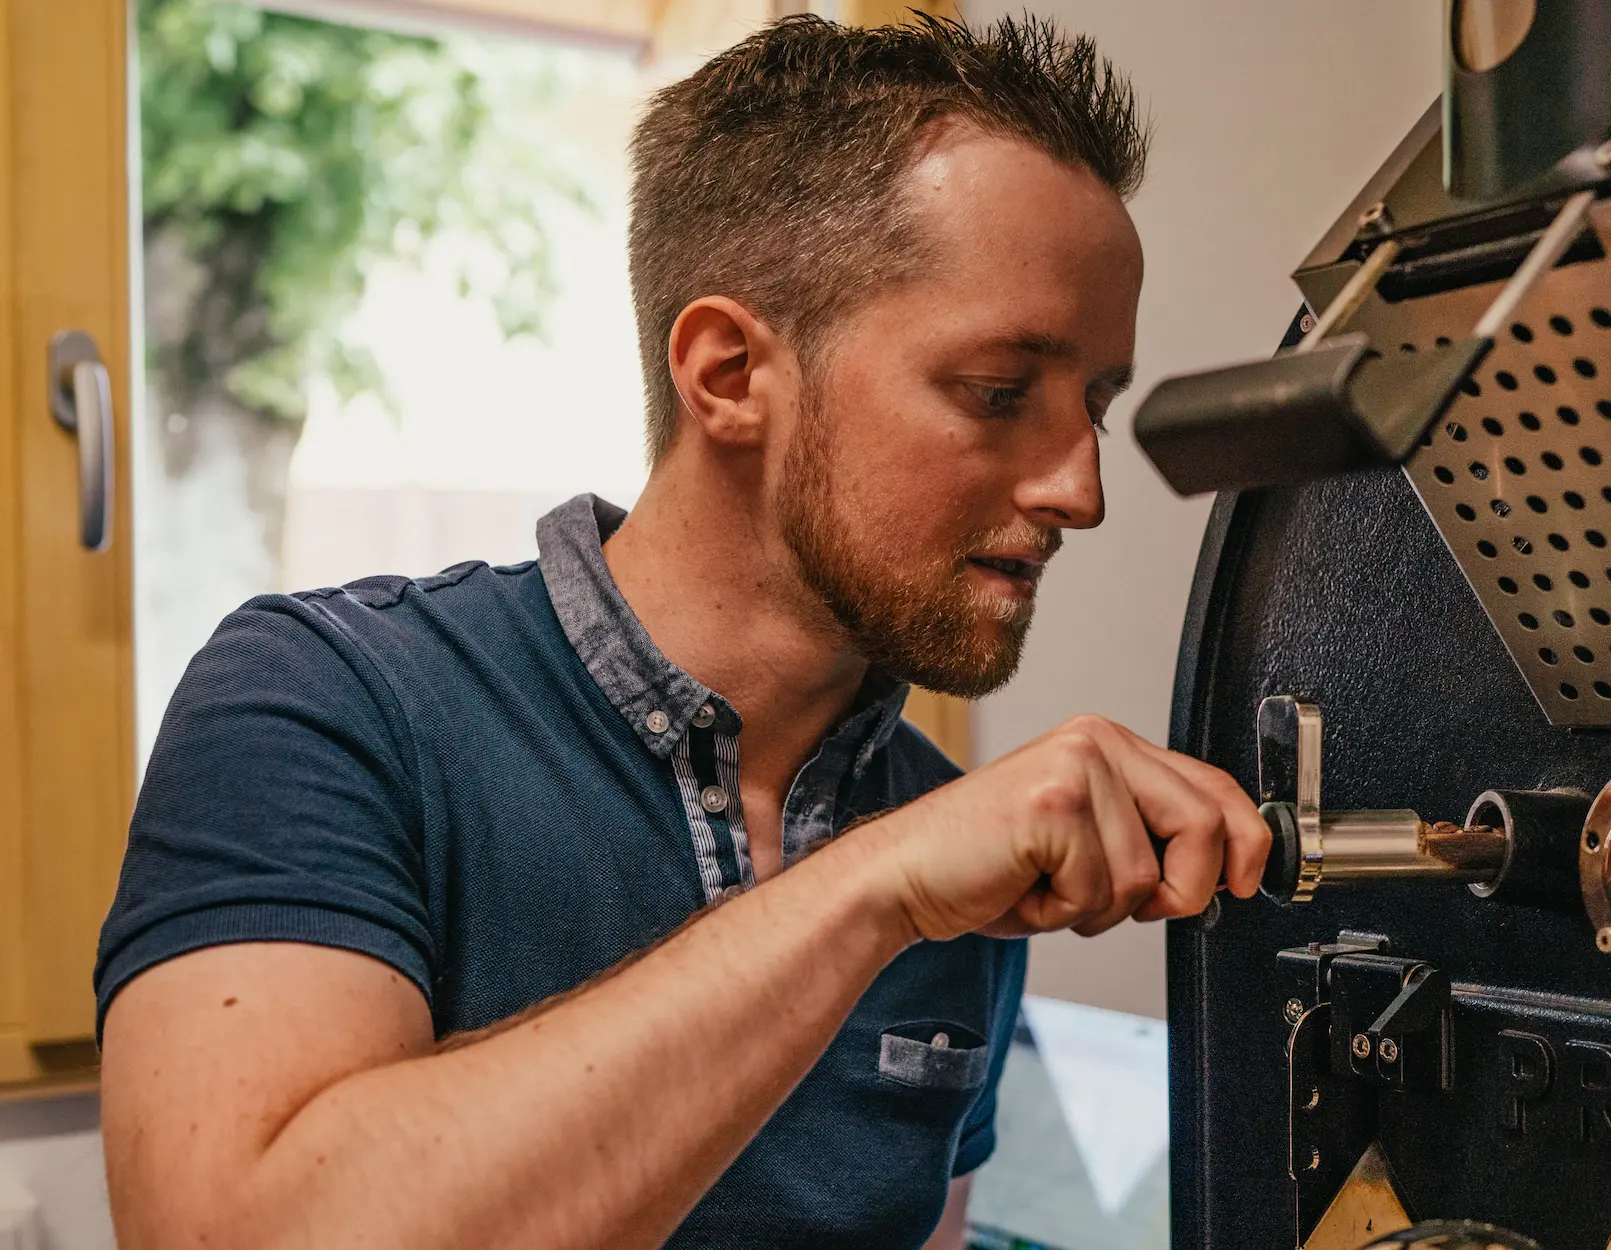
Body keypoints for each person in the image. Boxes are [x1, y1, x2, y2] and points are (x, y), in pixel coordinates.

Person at [95, 13, 1270, 1250]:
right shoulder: (324, 702)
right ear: (726, 374)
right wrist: (872, 889)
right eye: (998, 393)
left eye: (1092, 405)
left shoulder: (947, 836)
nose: (1080, 489)